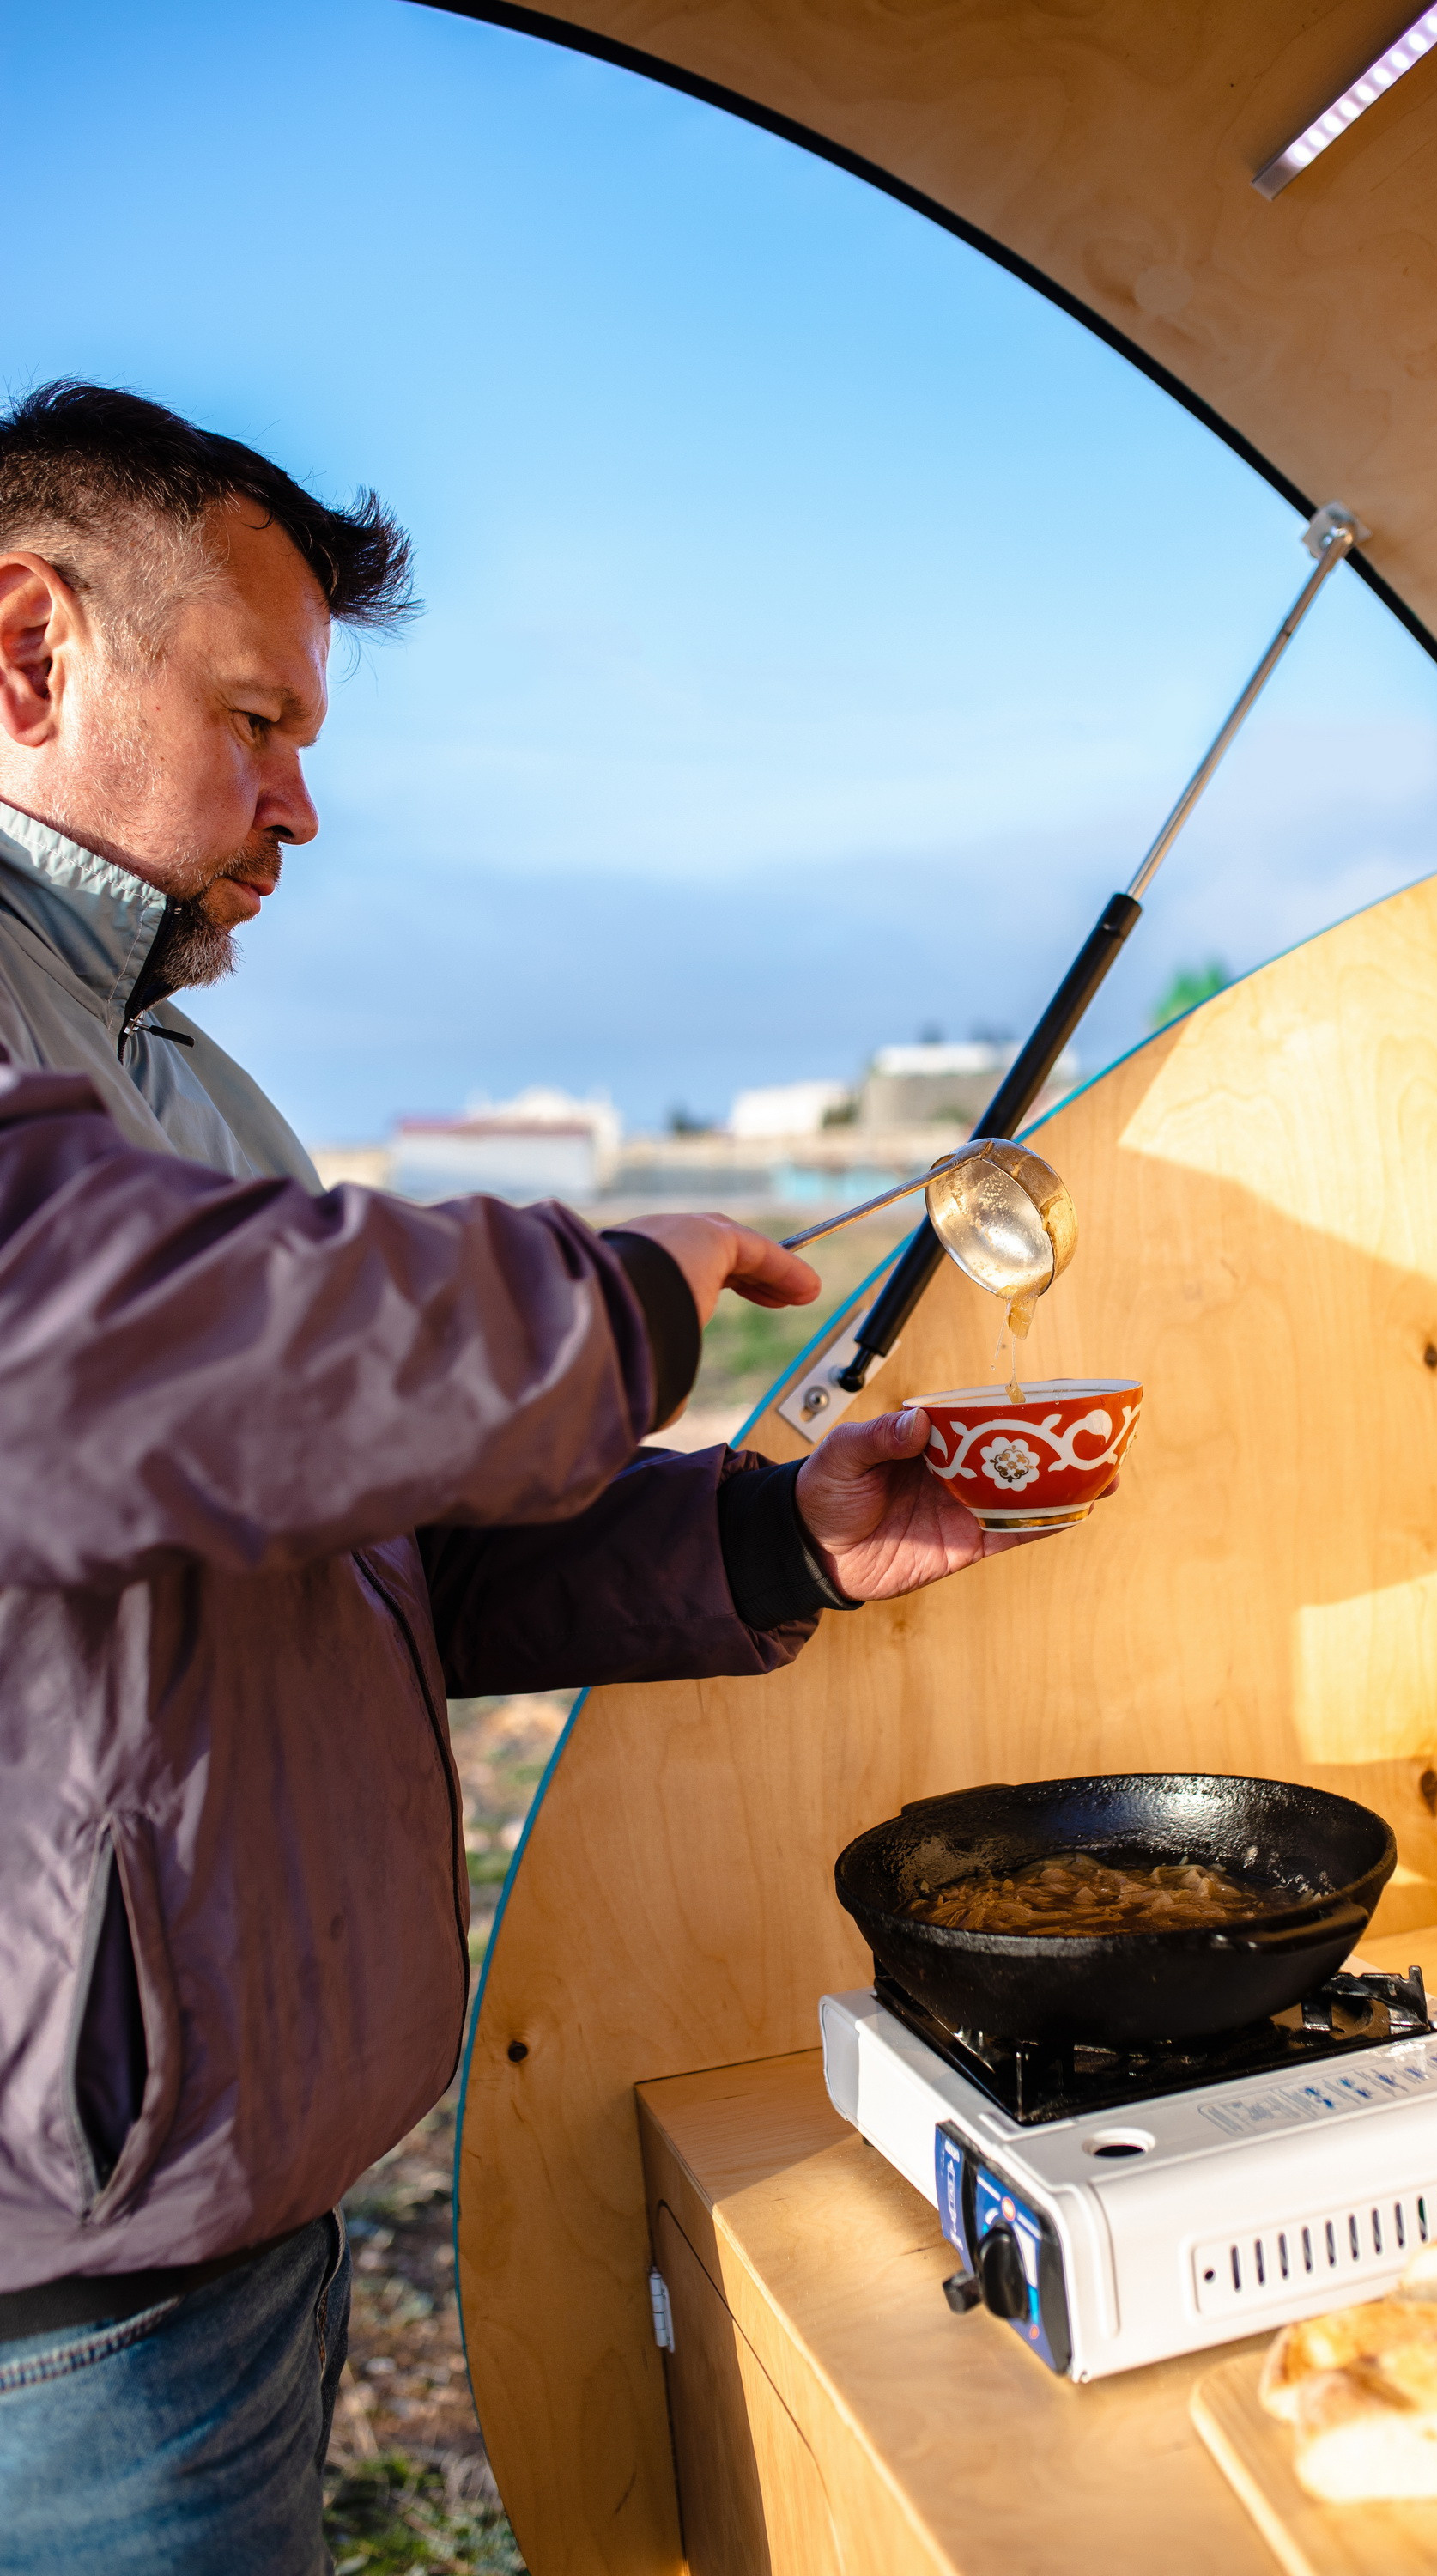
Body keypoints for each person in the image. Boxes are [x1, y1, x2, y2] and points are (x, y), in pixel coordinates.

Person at [0, 384, 1048, 2573]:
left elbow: (376, 1561)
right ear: (31, 650)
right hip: (46, 2318)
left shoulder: (179, 1078)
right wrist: (617, 1295)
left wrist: (769, 1533)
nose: (298, 808)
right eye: (258, 720)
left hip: (204, 2236)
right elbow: (89, 1352)